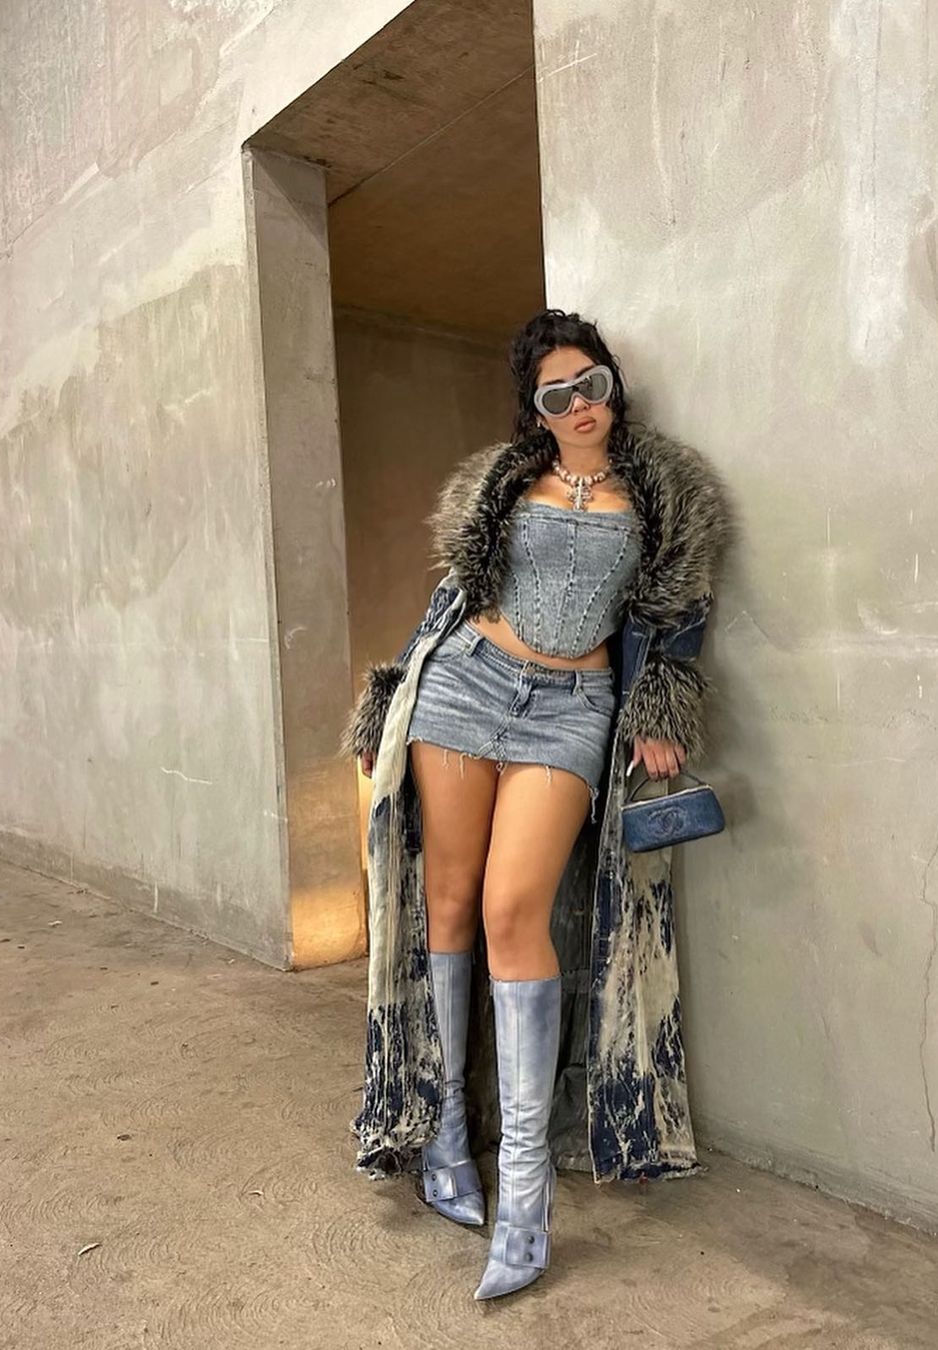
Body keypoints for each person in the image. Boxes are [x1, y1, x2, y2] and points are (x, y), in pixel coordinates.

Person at [339, 308, 733, 1301]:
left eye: (590, 383)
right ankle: (444, 1137)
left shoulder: (668, 489)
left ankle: (524, 1190)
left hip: (572, 706)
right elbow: (454, 595)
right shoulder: (502, 481)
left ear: (611, 383)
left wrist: (663, 700)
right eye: (558, 395)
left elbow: (679, 616)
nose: (580, 405)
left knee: (515, 910)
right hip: (466, 687)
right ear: (537, 409)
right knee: (451, 903)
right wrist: (395, 693)